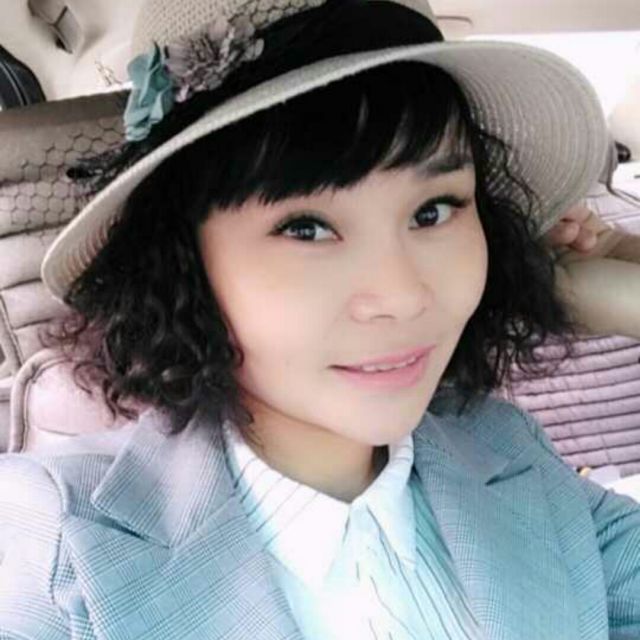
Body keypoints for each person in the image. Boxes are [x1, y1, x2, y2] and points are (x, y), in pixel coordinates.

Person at [1, 1, 639, 639]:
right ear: (183, 262)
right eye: (306, 228)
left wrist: (618, 282)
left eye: (434, 211)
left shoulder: (508, 453)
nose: (402, 297)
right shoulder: (54, 537)